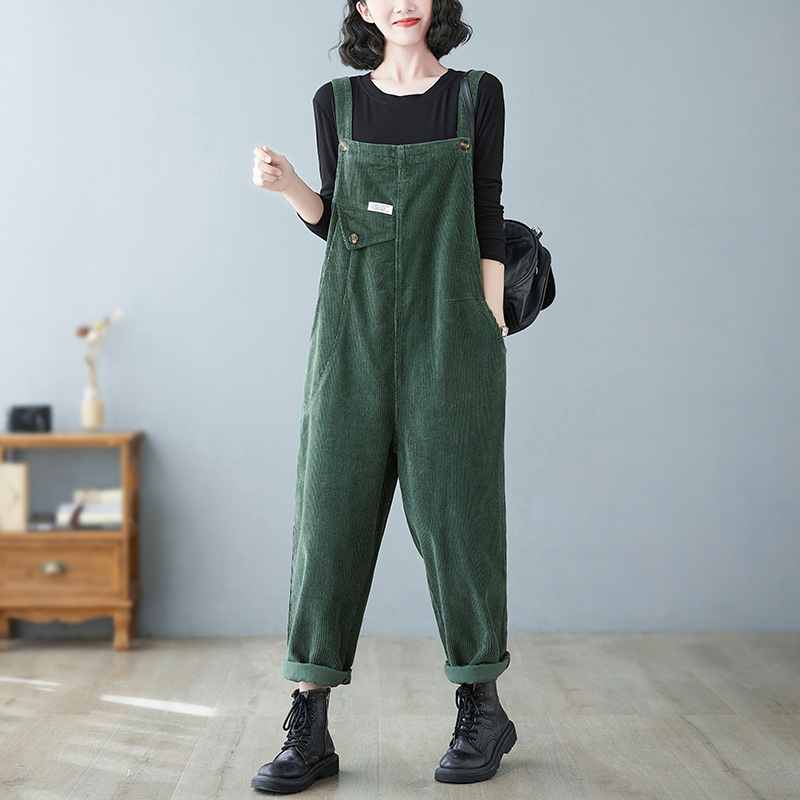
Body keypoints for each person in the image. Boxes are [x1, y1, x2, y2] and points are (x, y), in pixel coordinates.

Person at [250, 0, 516, 792]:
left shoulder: (476, 94)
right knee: (328, 517)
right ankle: (309, 724)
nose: (402, 3)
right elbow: (339, 220)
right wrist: (292, 187)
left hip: (452, 328)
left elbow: (487, 208)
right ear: (363, 7)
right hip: (351, 334)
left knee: (460, 519)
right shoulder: (335, 103)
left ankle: (482, 707)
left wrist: (489, 322)